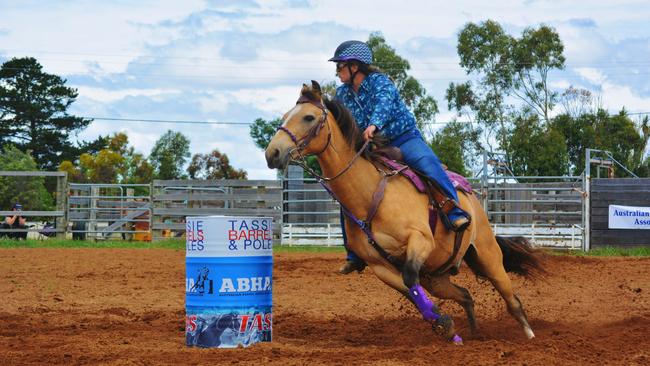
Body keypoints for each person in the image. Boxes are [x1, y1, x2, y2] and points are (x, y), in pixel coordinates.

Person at [329, 40, 470, 274]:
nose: (337, 70)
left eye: (340, 65)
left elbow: (384, 104)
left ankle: (454, 211)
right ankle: (355, 252)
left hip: (403, 139)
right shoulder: (342, 94)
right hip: (371, 147)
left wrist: (374, 124)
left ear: (355, 66)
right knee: (348, 190)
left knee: (428, 164)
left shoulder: (380, 82)